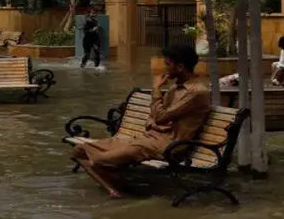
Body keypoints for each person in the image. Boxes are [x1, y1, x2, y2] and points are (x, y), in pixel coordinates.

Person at [71, 44, 209, 197]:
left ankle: (122, 187)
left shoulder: (196, 92)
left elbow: (160, 117)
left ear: (181, 67)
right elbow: (155, 116)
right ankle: (114, 190)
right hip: (147, 138)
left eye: (168, 64)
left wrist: (156, 89)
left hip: (167, 145)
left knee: (98, 161)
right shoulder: (175, 88)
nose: (164, 68)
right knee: (80, 151)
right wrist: (154, 119)